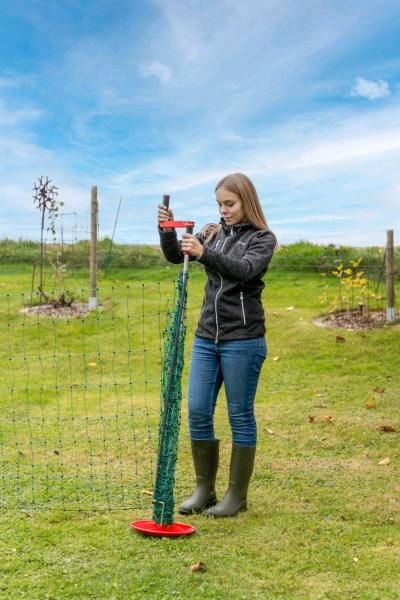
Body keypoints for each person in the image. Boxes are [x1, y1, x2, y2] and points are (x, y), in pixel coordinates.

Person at [157, 172, 276, 518]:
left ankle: (236, 497)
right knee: (197, 411)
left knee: (239, 414)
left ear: (246, 202)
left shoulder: (263, 239)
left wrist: (205, 254)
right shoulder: (213, 232)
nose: (224, 211)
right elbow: (174, 256)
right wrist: (167, 231)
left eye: (230, 204)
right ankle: (204, 490)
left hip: (244, 339)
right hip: (207, 337)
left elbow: (244, 269)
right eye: (220, 204)